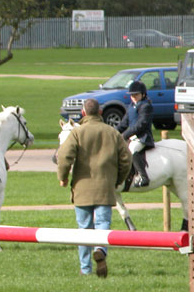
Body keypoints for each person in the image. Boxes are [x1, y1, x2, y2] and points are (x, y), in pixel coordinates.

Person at [57, 98, 132, 277]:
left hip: (82, 188)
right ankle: (100, 248)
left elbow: (64, 156)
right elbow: (126, 159)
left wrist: (63, 177)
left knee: (84, 228)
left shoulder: (77, 133)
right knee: (103, 223)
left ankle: (85, 269)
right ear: (100, 112)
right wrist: (117, 180)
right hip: (105, 187)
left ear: (83, 113)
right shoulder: (112, 133)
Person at [116, 80, 154, 188]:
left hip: (143, 137)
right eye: (132, 95)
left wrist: (125, 135)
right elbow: (123, 124)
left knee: (132, 149)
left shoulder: (146, 106)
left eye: (136, 95)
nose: (133, 97)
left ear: (143, 94)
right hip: (133, 136)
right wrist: (112, 132)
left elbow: (140, 125)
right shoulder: (131, 106)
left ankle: (143, 177)